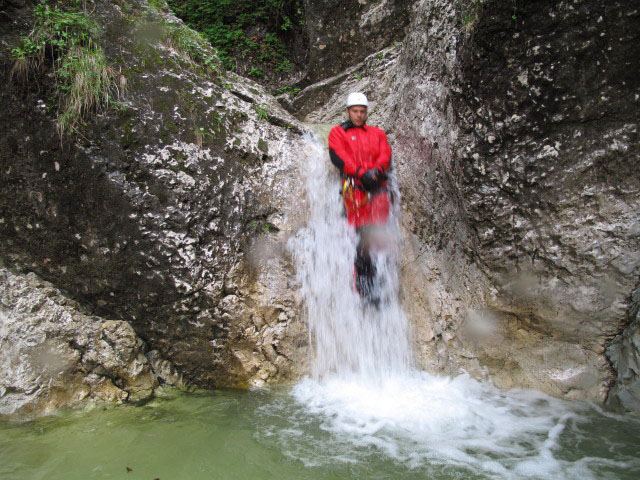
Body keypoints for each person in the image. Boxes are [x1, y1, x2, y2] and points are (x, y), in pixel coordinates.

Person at [328, 92, 392, 304]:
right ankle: (364, 280)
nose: (358, 115)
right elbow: (338, 156)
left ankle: (381, 277)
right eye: (355, 111)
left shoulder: (378, 133)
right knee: (362, 231)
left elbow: (385, 154)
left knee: (380, 229)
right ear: (347, 112)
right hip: (355, 189)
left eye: (362, 111)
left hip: (377, 186)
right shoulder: (338, 133)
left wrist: (376, 171)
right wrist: (360, 173)